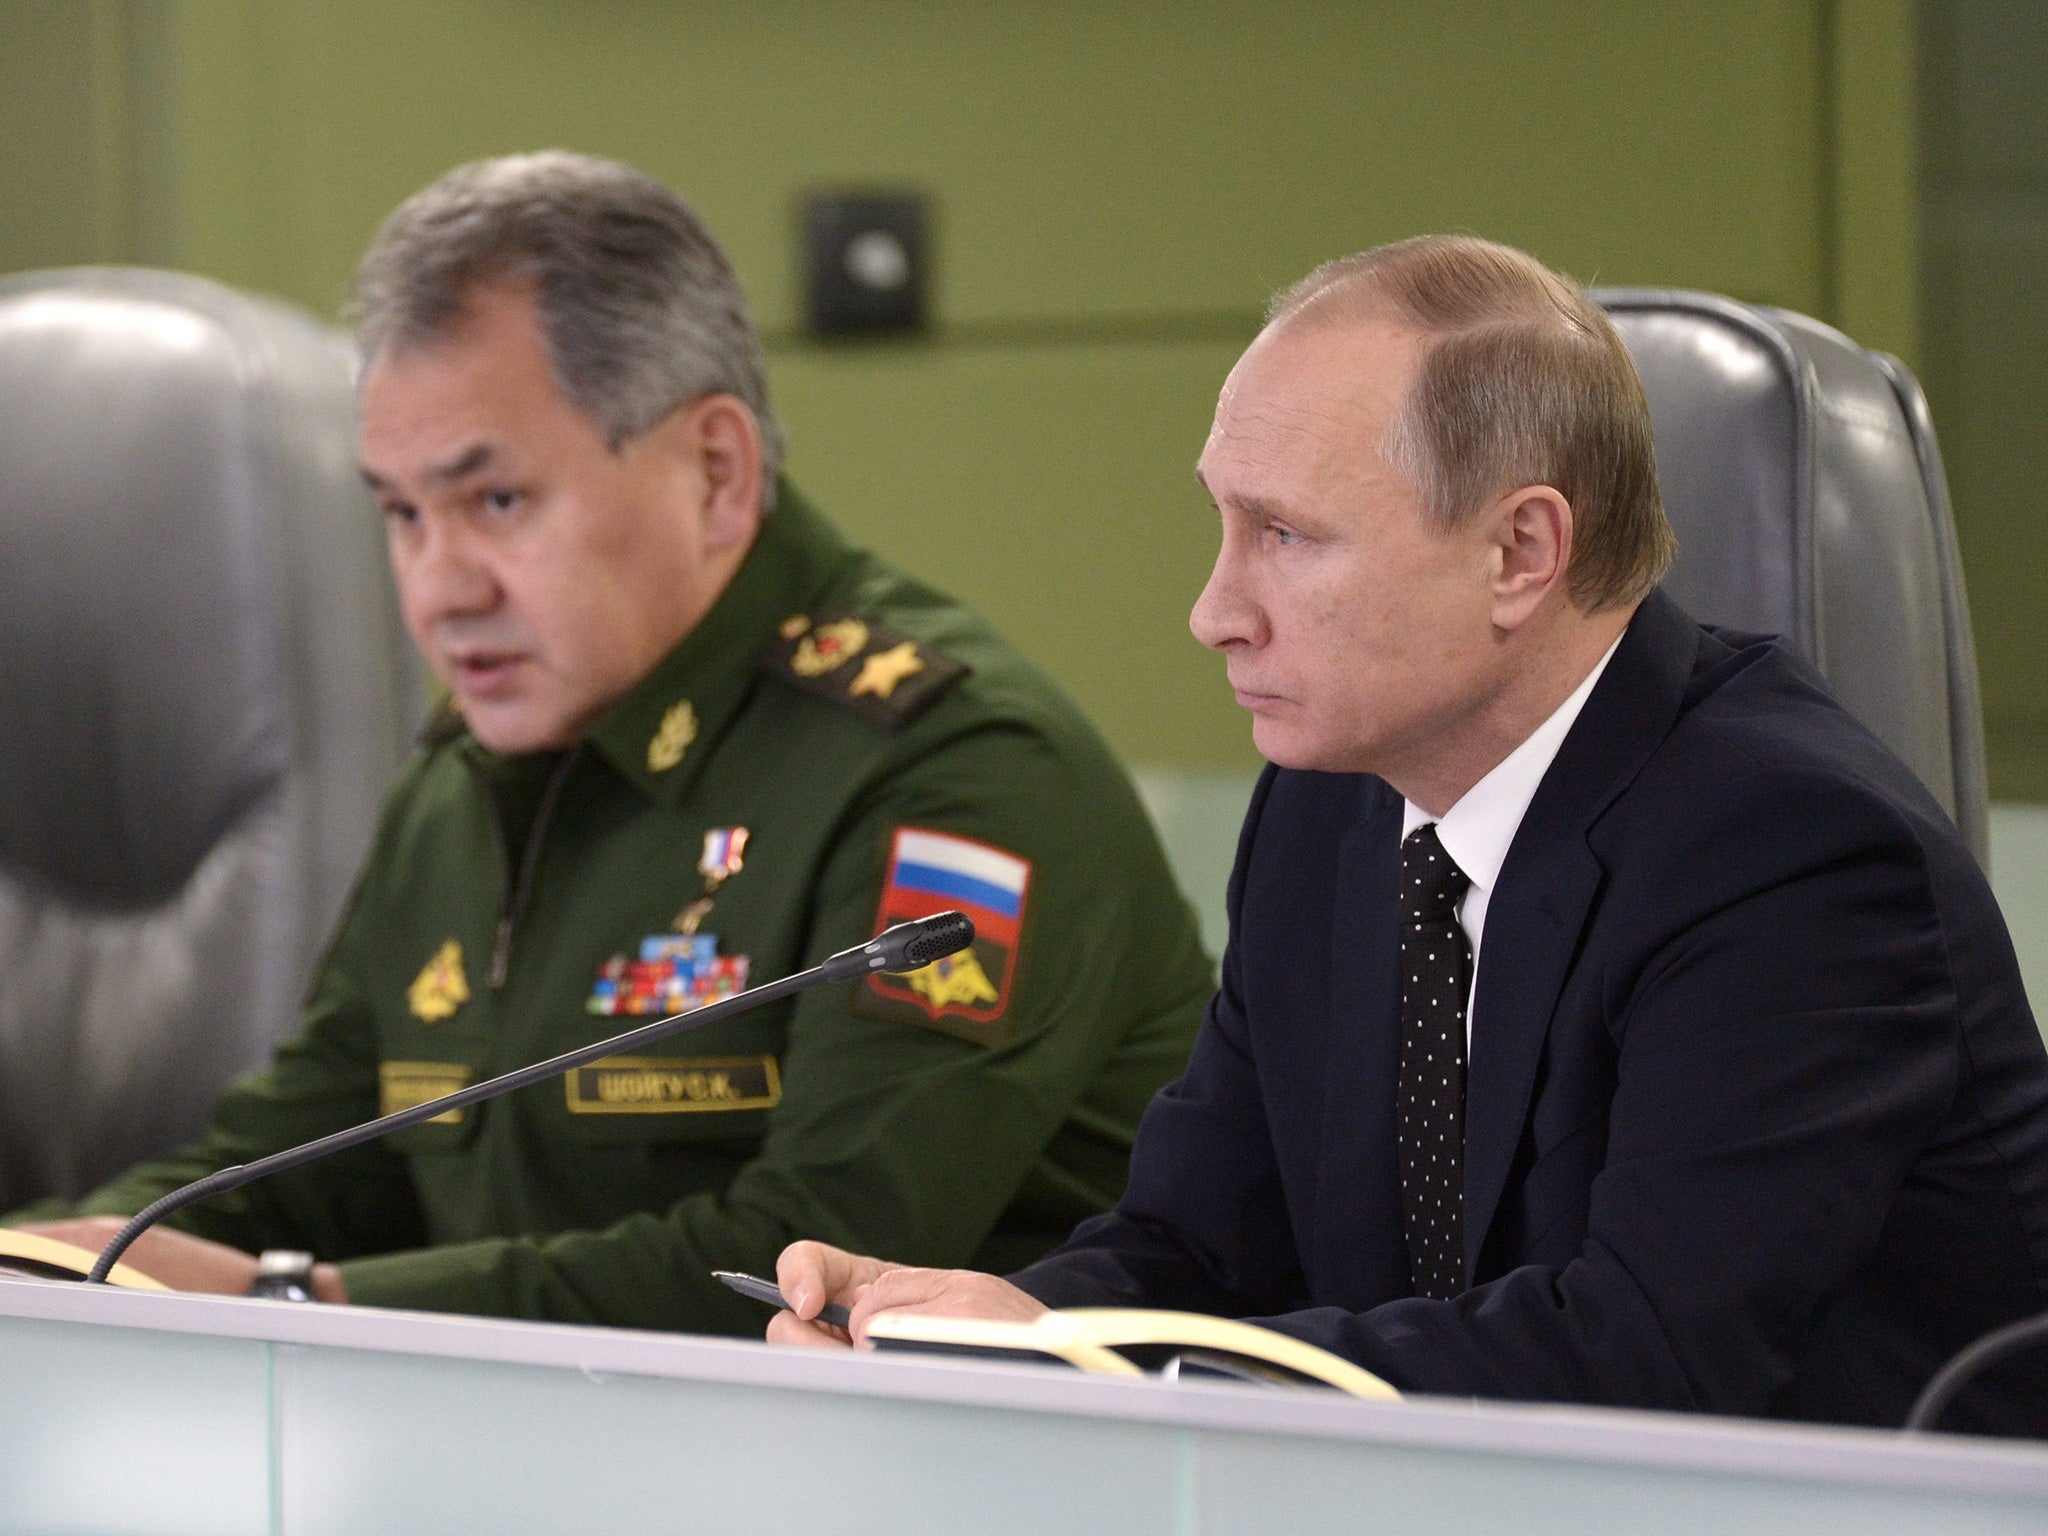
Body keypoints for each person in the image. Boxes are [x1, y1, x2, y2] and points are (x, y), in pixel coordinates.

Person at [770, 236, 2048, 1433]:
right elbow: (1201, 1242)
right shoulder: (1333, 803)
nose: (1214, 610)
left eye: (1284, 535)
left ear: (1519, 551)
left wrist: (1131, 1369)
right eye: (1222, 524)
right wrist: (1001, 1334)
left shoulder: (1790, 854)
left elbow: (1642, 1357)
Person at [5, 152, 1213, 1333]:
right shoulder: (462, 780)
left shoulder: (953, 774)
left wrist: (297, 1302)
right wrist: (58, 1265)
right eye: (400, 513)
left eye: (497, 502)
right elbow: (282, 1163)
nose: (437, 588)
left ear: (716, 471)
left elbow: (814, 1262)